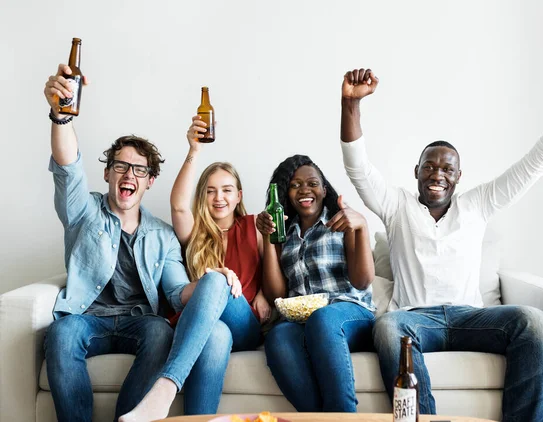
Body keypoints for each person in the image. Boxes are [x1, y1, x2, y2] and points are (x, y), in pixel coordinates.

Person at [339, 65, 543, 421]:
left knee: (536, 324)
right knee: (387, 327)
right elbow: (358, 167)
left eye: (447, 169)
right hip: (415, 320)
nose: (437, 175)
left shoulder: (477, 204)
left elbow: (534, 164)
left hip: (471, 318)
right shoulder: (396, 206)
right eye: (430, 167)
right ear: (416, 171)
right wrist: (350, 104)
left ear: (459, 177)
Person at [43, 64, 194, 422]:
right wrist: (60, 117)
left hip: (138, 321)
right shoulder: (84, 210)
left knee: (161, 332)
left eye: (139, 170)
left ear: (150, 181)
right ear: (108, 173)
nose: (129, 175)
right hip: (87, 319)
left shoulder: (162, 235)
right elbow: (68, 167)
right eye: (121, 166)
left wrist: (209, 286)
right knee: (62, 332)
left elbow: (175, 291)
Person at [120, 116, 269, 421]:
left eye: (227, 190)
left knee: (215, 280)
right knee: (214, 332)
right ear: (202, 196)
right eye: (211, 191)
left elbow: (274, 266)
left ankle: (164, 388)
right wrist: (194, 151)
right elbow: (178, 205)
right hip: (205, 323)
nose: (219, 198)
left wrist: (265, 292)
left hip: (245, 321)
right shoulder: (195, 232)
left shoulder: (254, 225)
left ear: (238, 196)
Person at [256, 155, 375, 412]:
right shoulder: (284, 234)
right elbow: (276, 293)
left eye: (312, 183)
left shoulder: (342, 223)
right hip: (302, 320)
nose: (304, 190)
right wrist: (267, 238)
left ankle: (344, 418)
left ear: (323, 189)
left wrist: (361, 227)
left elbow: (362, 281)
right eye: (295, 185)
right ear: (286, 193)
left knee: (323, 319)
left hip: (350, 313)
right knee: (278, 336)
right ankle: (317, 418)